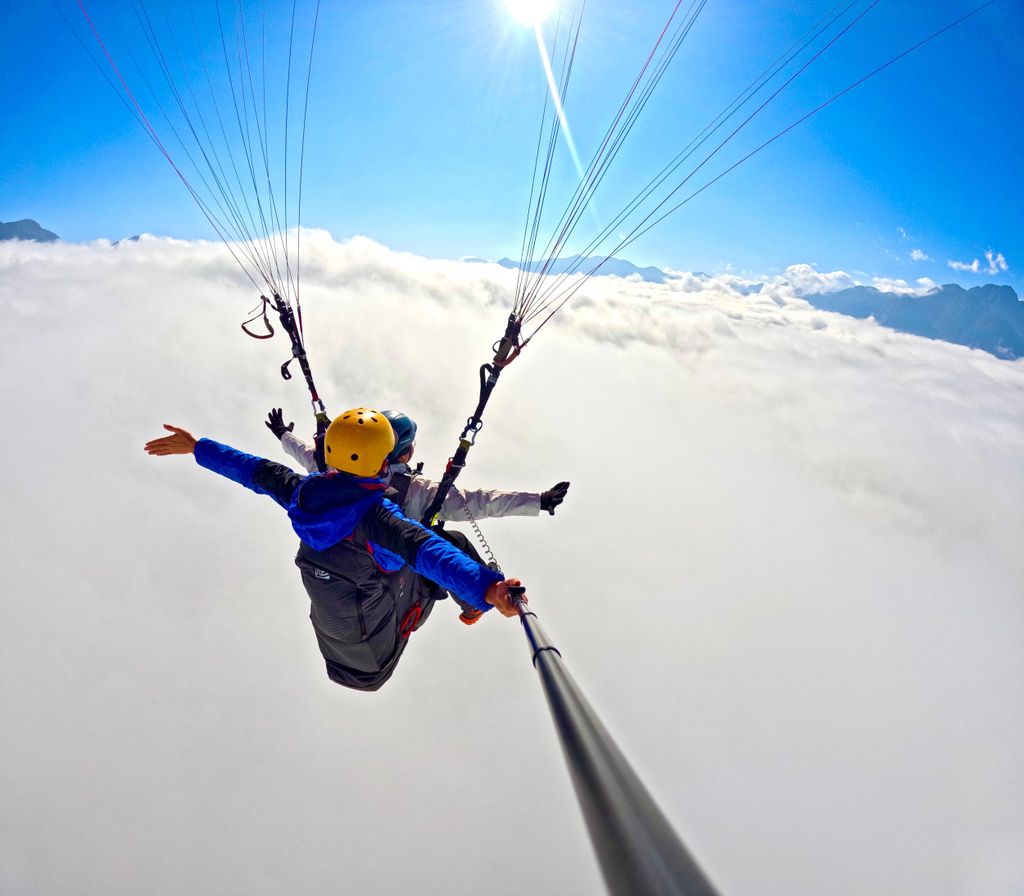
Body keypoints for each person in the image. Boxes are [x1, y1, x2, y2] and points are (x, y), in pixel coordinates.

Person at [144, 408, 525, 692]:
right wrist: (487, 588)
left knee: (414, 550)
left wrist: (197, 447)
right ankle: (472, 607)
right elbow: (429, 551)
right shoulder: (378, 520)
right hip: (377, 647)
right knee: (448, 541)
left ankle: (470, 601)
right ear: (383, 463)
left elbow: (252, 469)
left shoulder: (301, 491)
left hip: (339, 646)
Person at [265, 407, 570, 521]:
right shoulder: (416, 492)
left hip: (339, 553)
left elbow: (306, 453)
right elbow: (481, 502)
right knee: (456, 544)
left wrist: (283, 433)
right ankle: (472, 607)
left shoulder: (335, 470)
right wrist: (538, 501)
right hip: (395, 564)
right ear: (405, 453)